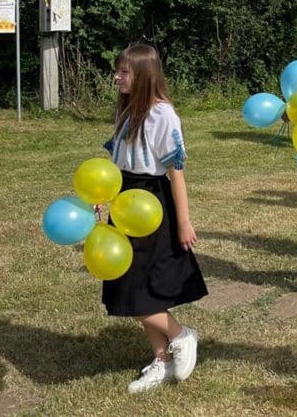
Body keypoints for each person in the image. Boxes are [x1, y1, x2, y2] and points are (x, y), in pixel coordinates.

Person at [104, 43, 208, 393]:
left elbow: (175, 171)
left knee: (138, 291)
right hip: (123, 201)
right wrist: (104, 198)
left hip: (151, 205)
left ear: (144, 75)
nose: (117, 77)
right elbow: (116, 165)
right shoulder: (125, 111)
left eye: (124, 72)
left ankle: (181, 336)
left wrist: (183, 221)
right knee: (128, 285)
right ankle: (161, 359)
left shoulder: (162, 115)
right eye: (118, 71)